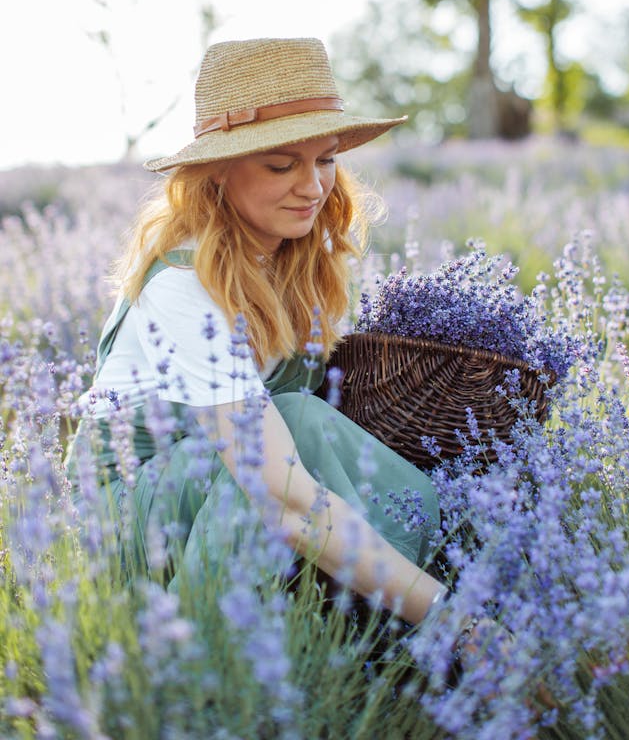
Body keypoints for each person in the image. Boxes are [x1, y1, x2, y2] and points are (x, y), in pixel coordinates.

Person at [65, 37, 451, 629]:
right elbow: (284, 498)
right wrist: (459, 622)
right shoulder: (183, 285)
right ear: (216, 172)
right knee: (298, 423)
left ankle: (369, 628)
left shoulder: (292, 260)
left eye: (324, 159)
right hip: (132, 518)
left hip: (226, 489)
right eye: (281, 164)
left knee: (326, 436)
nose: (314, 187)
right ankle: (214, 659)